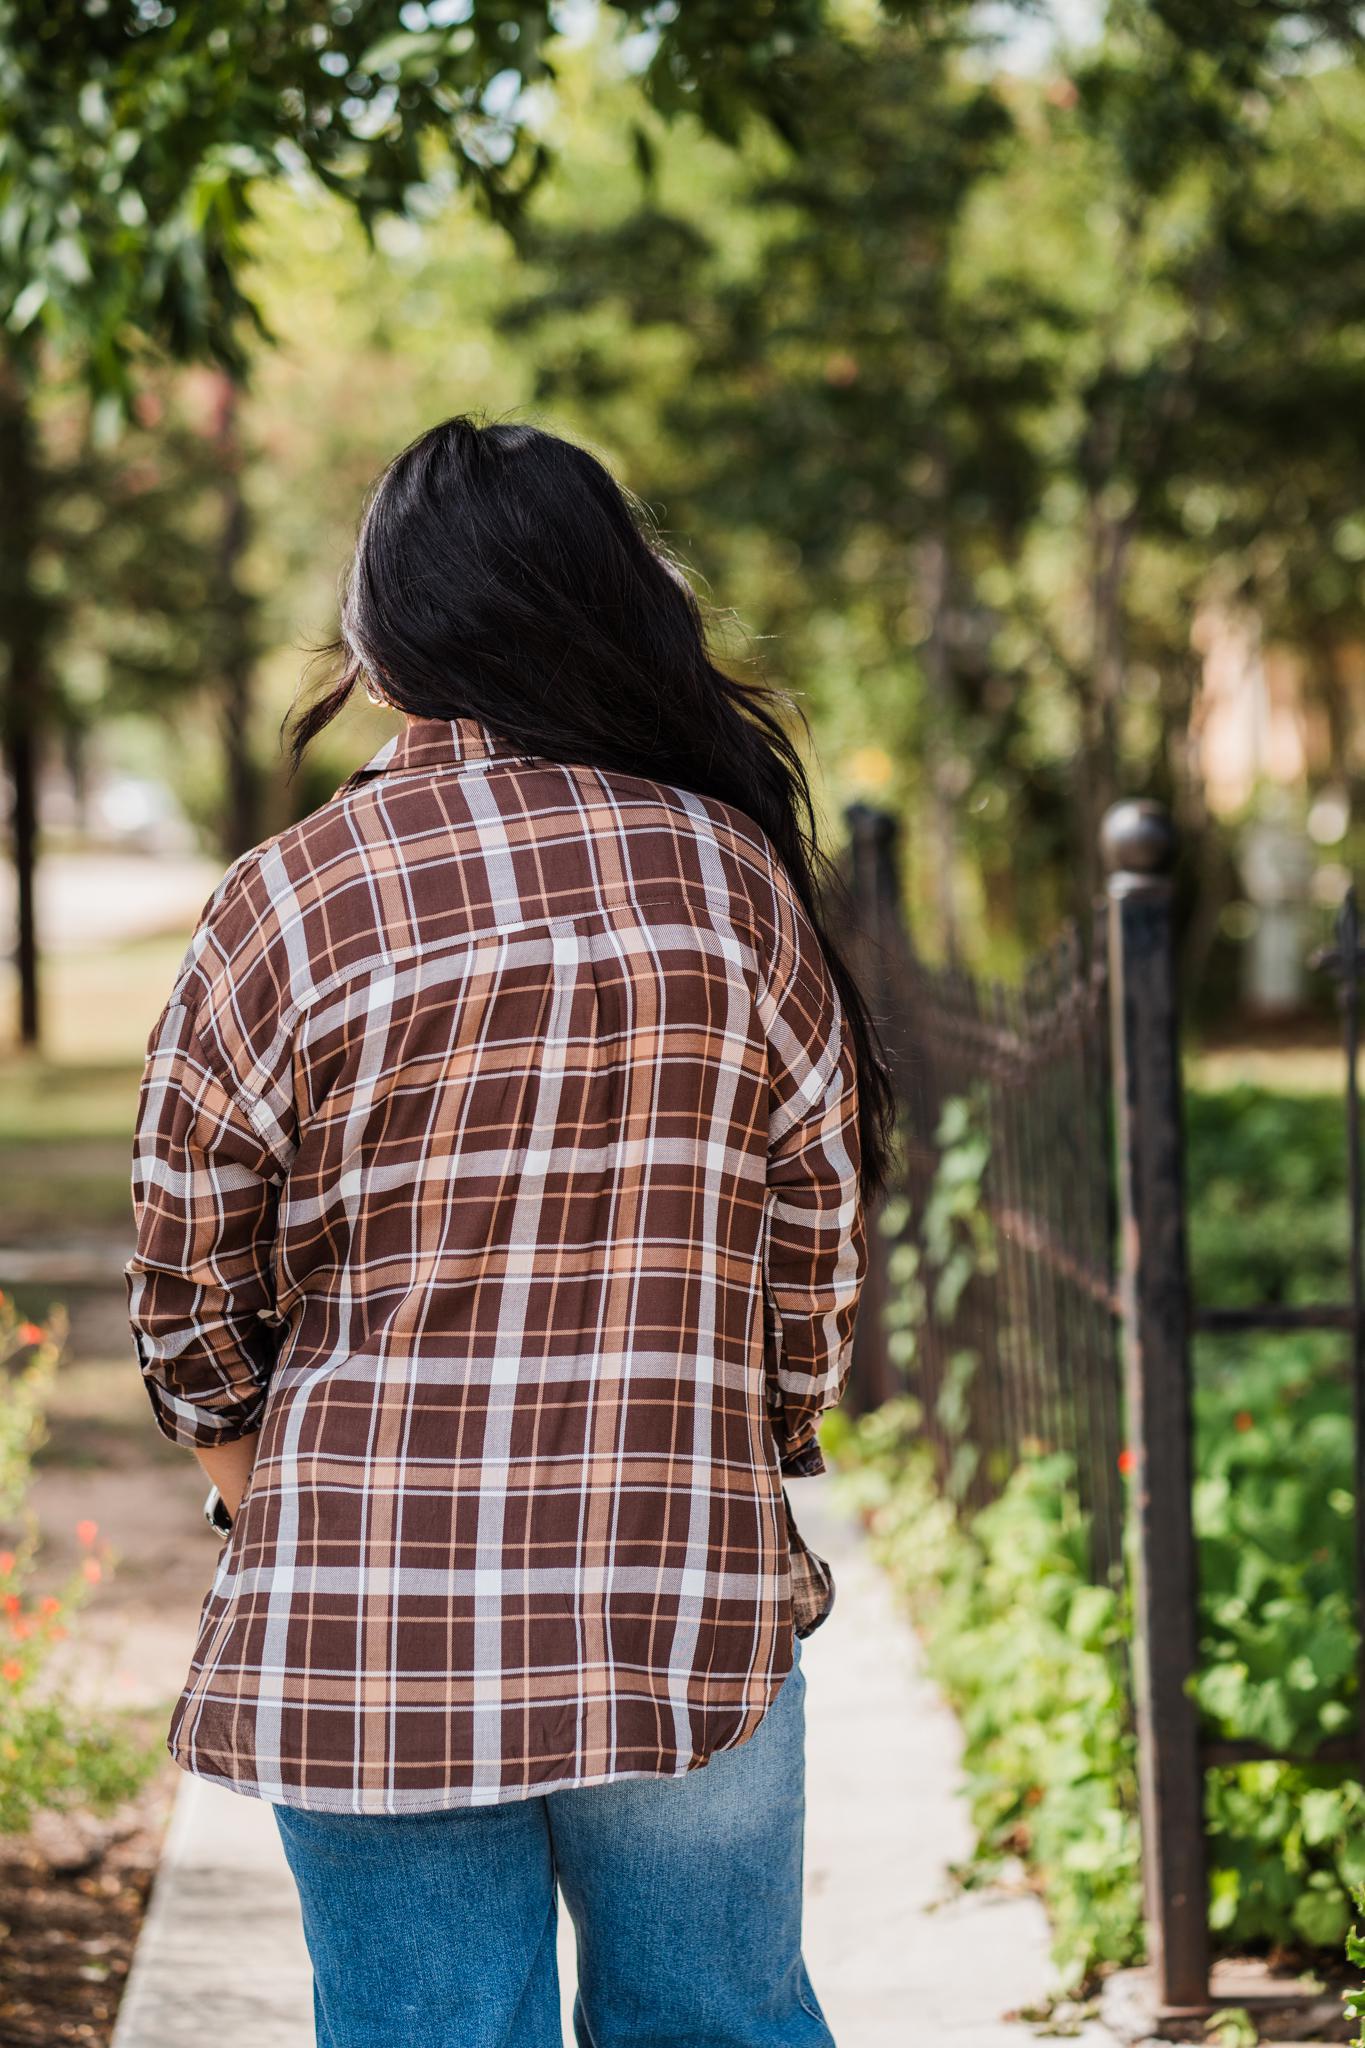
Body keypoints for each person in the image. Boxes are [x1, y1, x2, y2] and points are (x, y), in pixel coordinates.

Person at [124, 415, 893, 2048]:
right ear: (608, 610)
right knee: (715, 2023)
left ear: (381, 640)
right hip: (677, 1581)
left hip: (361, 1617)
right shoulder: (728, 879)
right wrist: (739, 1437)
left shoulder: (290, 898)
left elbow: (186, 1282)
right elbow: (812, 1234)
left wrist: (259, 1489)